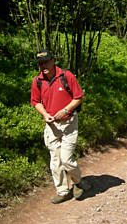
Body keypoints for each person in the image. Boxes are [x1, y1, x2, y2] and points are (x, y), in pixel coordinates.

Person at [31, 50, 89, 204]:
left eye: (46, 62)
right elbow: (36, 102)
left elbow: (79, 97)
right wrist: (45, 114)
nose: (44, 66)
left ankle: (77, 183)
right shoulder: (38, 81)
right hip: (51, 125)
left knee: (66, 158)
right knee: (55, 160)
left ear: (52, 60)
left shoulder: (66, 76)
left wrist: (65, 110)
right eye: (40, 63)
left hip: (69, 122)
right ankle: (62, 191)